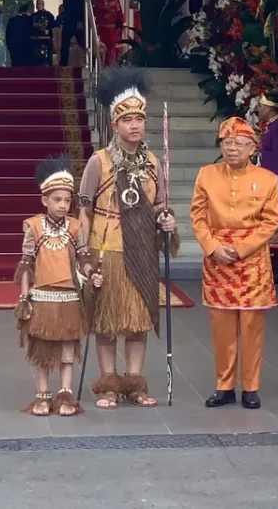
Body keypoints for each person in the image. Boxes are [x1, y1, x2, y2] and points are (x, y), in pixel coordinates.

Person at [77, 67, 177, 409]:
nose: (135, 125)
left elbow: (161, 204)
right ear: (115, 124)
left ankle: (134, 383)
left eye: (139, 118)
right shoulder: (99, 162)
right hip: (107, 251)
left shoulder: (152, 162)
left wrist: (166, 221)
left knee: (137, 321)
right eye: (128, 119)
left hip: (141, 251)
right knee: (105, 323)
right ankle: (108, 384)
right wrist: (83, 253)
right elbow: (84, 210)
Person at [191, 117, 278, 409]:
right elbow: (198, 217)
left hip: (252, 261)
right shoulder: (206, 175)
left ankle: (251, 387)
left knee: (252, 328)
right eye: (226, 143)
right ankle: (224, 385)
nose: (232, 149)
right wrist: (212, 247)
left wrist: (241, 248)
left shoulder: (268, 179)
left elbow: (270, 223)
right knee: (222, 329)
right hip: (217, 261)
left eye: (239, 144)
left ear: (252, 147)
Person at [15, 155, 98, 417]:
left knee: (67, 348)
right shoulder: (34, 227)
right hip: (42, 295)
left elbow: (84, 259)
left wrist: (91, 274)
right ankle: (42, 395)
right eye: (57, 200)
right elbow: (26, 264)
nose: (63, 205)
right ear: (44, 200)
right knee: (42, 349)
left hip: (70, 297)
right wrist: (24, 297)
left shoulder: (76, 228)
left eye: (67, 200)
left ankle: (65, 394)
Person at [93, 0, 125, 67]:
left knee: (114, 52)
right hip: (103, 29)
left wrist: (120, 24)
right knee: (105, 52)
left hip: (114, 31)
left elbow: (120, 14)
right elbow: (98, 13)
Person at [59, 0, 87, 67]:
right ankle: (63, 65)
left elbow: (81, 6)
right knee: (65, 43)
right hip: (68, 20)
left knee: (82, 42)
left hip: (77, 21)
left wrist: (80, 21)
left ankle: (88, 61)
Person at [30, 0, 56, 66]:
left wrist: (47, 33)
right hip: (36, 38)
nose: (38, 6)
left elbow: (52, 26)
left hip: (46, 38)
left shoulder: (49, 15)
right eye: (37, 4)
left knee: (48, 56)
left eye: (40, 4)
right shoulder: (33, 16)